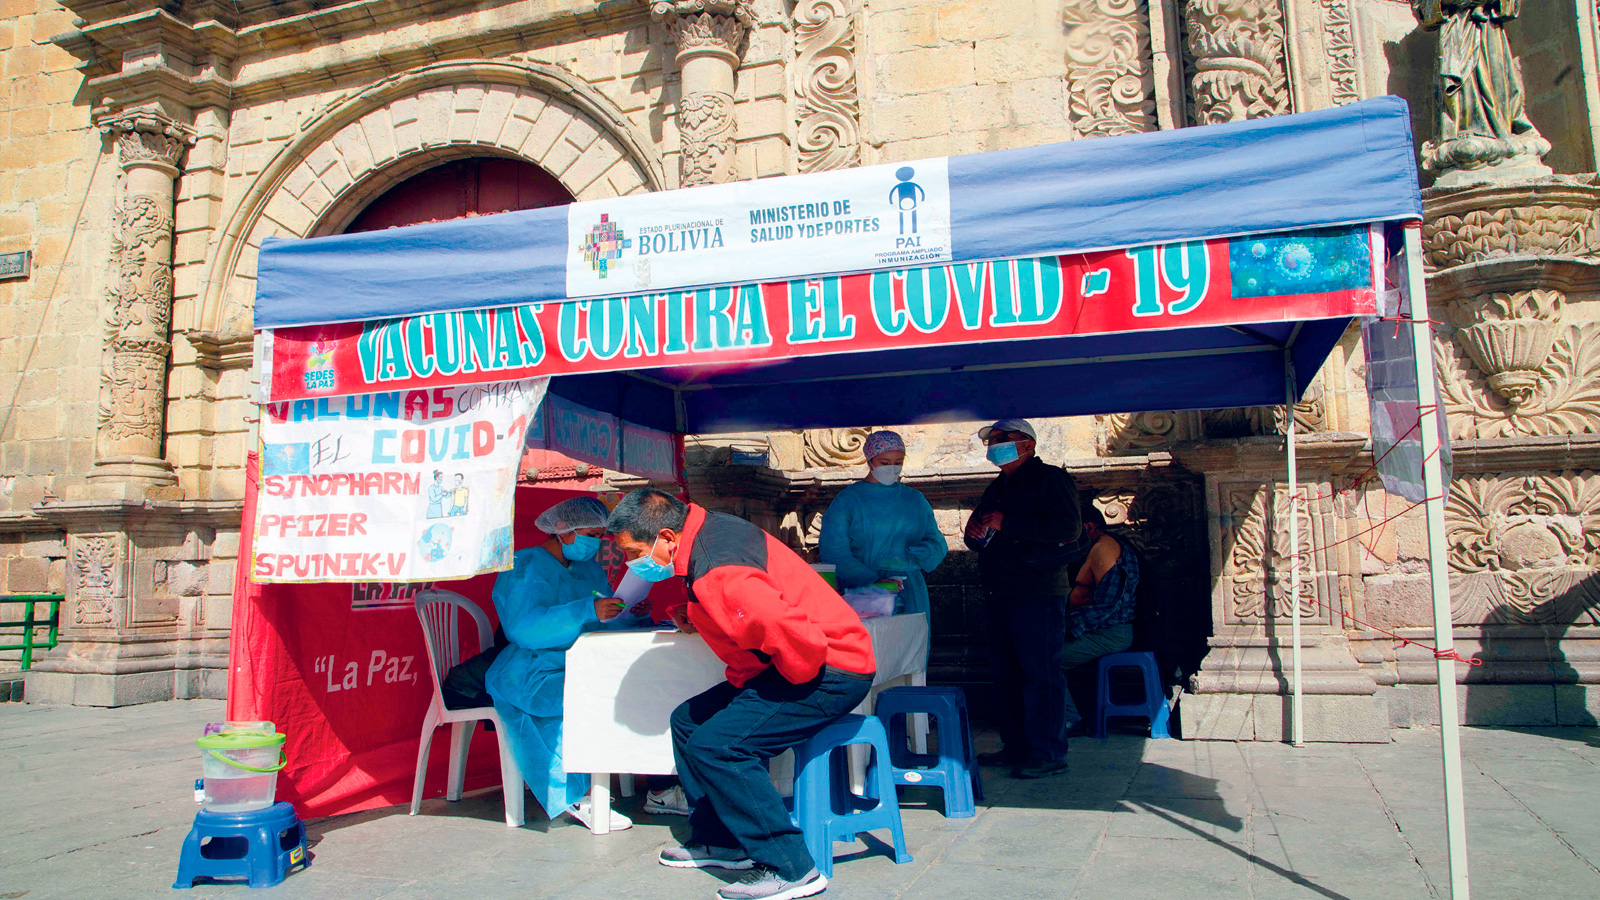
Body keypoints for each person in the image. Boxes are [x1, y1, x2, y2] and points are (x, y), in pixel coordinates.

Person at [608, 488, 875, 900]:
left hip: (829, 669)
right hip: (800, 663)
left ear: (666, 537)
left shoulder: (718, 568)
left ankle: (791, 868)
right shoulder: (710, 530)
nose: (632, 563)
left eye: (635, 551)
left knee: (719, 747)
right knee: (688, 721)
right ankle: (722, 841)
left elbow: (793, 637)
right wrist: (695, 612)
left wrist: (780, 687)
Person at [483, 496, 635, 830]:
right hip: (529, 670)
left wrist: (626, 614)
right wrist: (585, 611)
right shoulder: (525, 566)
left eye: (599, 537)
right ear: (563, 531)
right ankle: (576, 796)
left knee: (625, 691)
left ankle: (623, 784)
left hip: (578, 662)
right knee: (572, 701)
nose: (594, 544)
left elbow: (599, 612)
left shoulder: (587, 569)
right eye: (590, 535)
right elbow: (523, 628)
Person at [963, 417, 1088, 779]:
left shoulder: (1050, 479)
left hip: (1037, 591)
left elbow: (1068, 527)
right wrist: (975, 531)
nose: (995, 444)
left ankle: (1048, 752)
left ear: (1028, 444)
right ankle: (1016, 745)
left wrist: (1008, 523)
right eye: (993, 439)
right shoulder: (998, 485)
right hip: (999, 589)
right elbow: (984, 529)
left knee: (1040, 673)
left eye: (1004, 438)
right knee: (1007, 673)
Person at [817, 430, 947, 620]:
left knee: (911, 645)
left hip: (909, 588)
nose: (892, 468)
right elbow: (834, 550)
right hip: (865, 593)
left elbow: (937, 543)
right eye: (884, 463)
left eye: (898, 463)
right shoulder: (849, 500)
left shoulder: (915, 500)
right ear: (869, 460)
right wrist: (873, 581)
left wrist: (925, 551)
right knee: (871, 646)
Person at [1062, 503, 1141, 733]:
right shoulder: (1101, 546)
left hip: (1109, 632)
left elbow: (1108, 606)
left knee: (1044, 658)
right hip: (1102, 630)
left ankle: (1069, 719)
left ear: (1088, 527)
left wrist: (1068, 627)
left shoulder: (1103, 550)